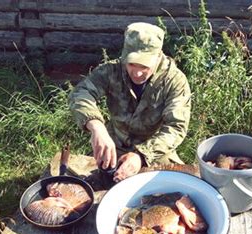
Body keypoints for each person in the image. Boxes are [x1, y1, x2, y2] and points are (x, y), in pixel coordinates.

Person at [68, 22, 191, 182]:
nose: (137, 73)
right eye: (132, 64)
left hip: (155, 150)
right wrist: (96, 126)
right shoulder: (111, 71)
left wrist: (141, 155)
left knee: (175, 187)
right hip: (115, 145)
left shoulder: (174, 81)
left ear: (158, 57)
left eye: (145, 66)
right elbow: (80, 94)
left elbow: (176, 127)